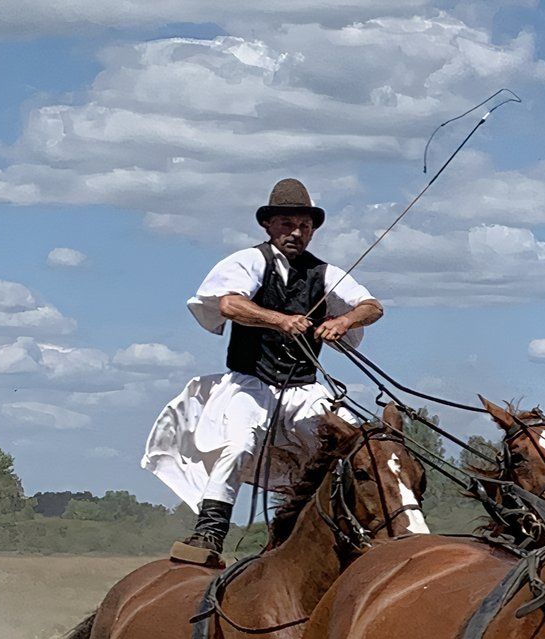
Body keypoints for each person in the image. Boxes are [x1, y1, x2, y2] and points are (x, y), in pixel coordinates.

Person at [138, 178, 386, 565]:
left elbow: (372, 306)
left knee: (352, 443)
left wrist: (344, 321)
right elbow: (229, 305)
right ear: (269, 225)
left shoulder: (324, 273)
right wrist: (279, 320)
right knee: (238, 444)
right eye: (287, 224)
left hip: (304, 389)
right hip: (250, 383)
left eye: (304, 226)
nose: (296, 233)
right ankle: (210, 532)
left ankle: (357, 530)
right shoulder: (250, 261)